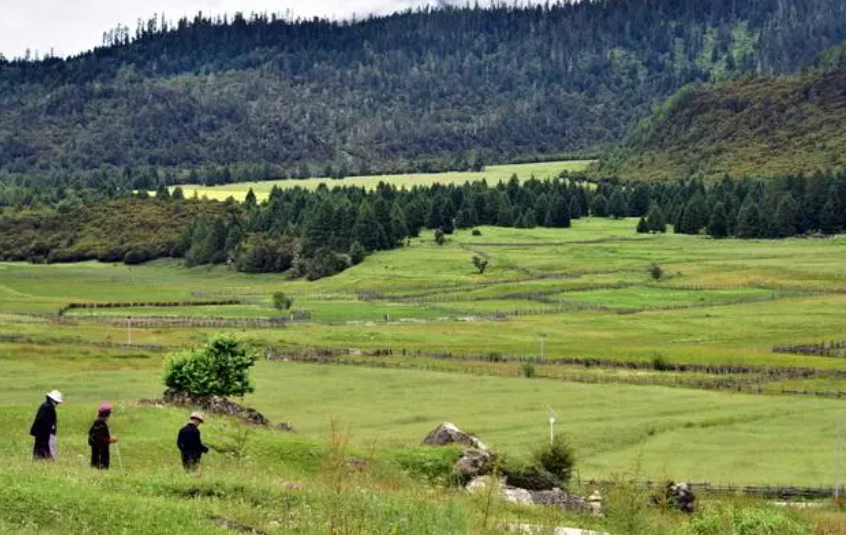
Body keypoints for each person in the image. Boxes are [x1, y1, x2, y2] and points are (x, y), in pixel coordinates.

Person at [30, 390, 62, 461]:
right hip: (43, 432)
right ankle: (45, 460)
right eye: (56, 402)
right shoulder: (47, 407)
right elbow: (42, 419)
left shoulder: (46, 406)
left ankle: (40, 459)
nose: (57, 404)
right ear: (52, 400)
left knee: (40, 447)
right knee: (43, 447)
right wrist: (51, 425)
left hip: (42, 432)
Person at [88, 403, 118, 469]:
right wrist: (110, 440)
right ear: (107, 414)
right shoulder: (100, 422)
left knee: (95, 462)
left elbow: (91, 433)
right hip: (101, 449)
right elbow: (99, 438)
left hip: (96, 447)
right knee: (101, 464)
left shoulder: (97, 421)